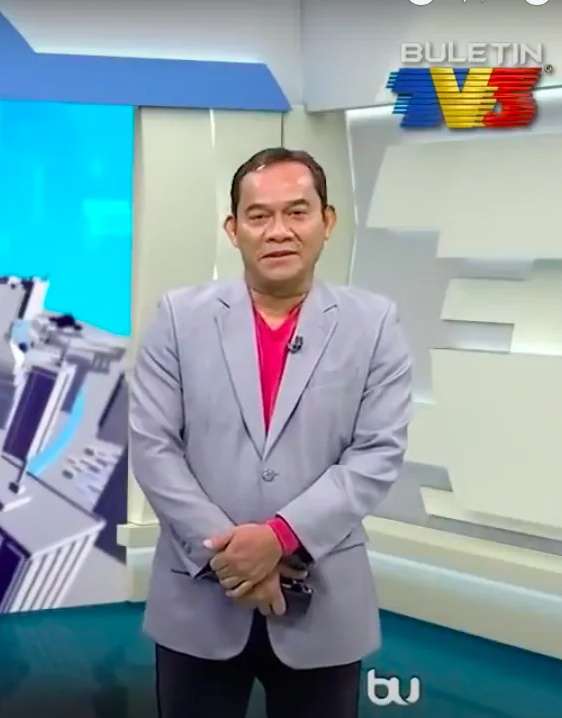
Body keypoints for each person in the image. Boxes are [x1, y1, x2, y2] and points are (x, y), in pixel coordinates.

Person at [127, 147, 413, 718]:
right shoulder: (179, 318)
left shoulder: (374, 324)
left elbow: (376, 453)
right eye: (259, 216)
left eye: (296, 212)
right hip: (199, 597)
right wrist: (233, 555)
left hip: (323, 601)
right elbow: (154, 448)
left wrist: (280, 537)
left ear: (327, 221)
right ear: (233, 230)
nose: (278, 231)